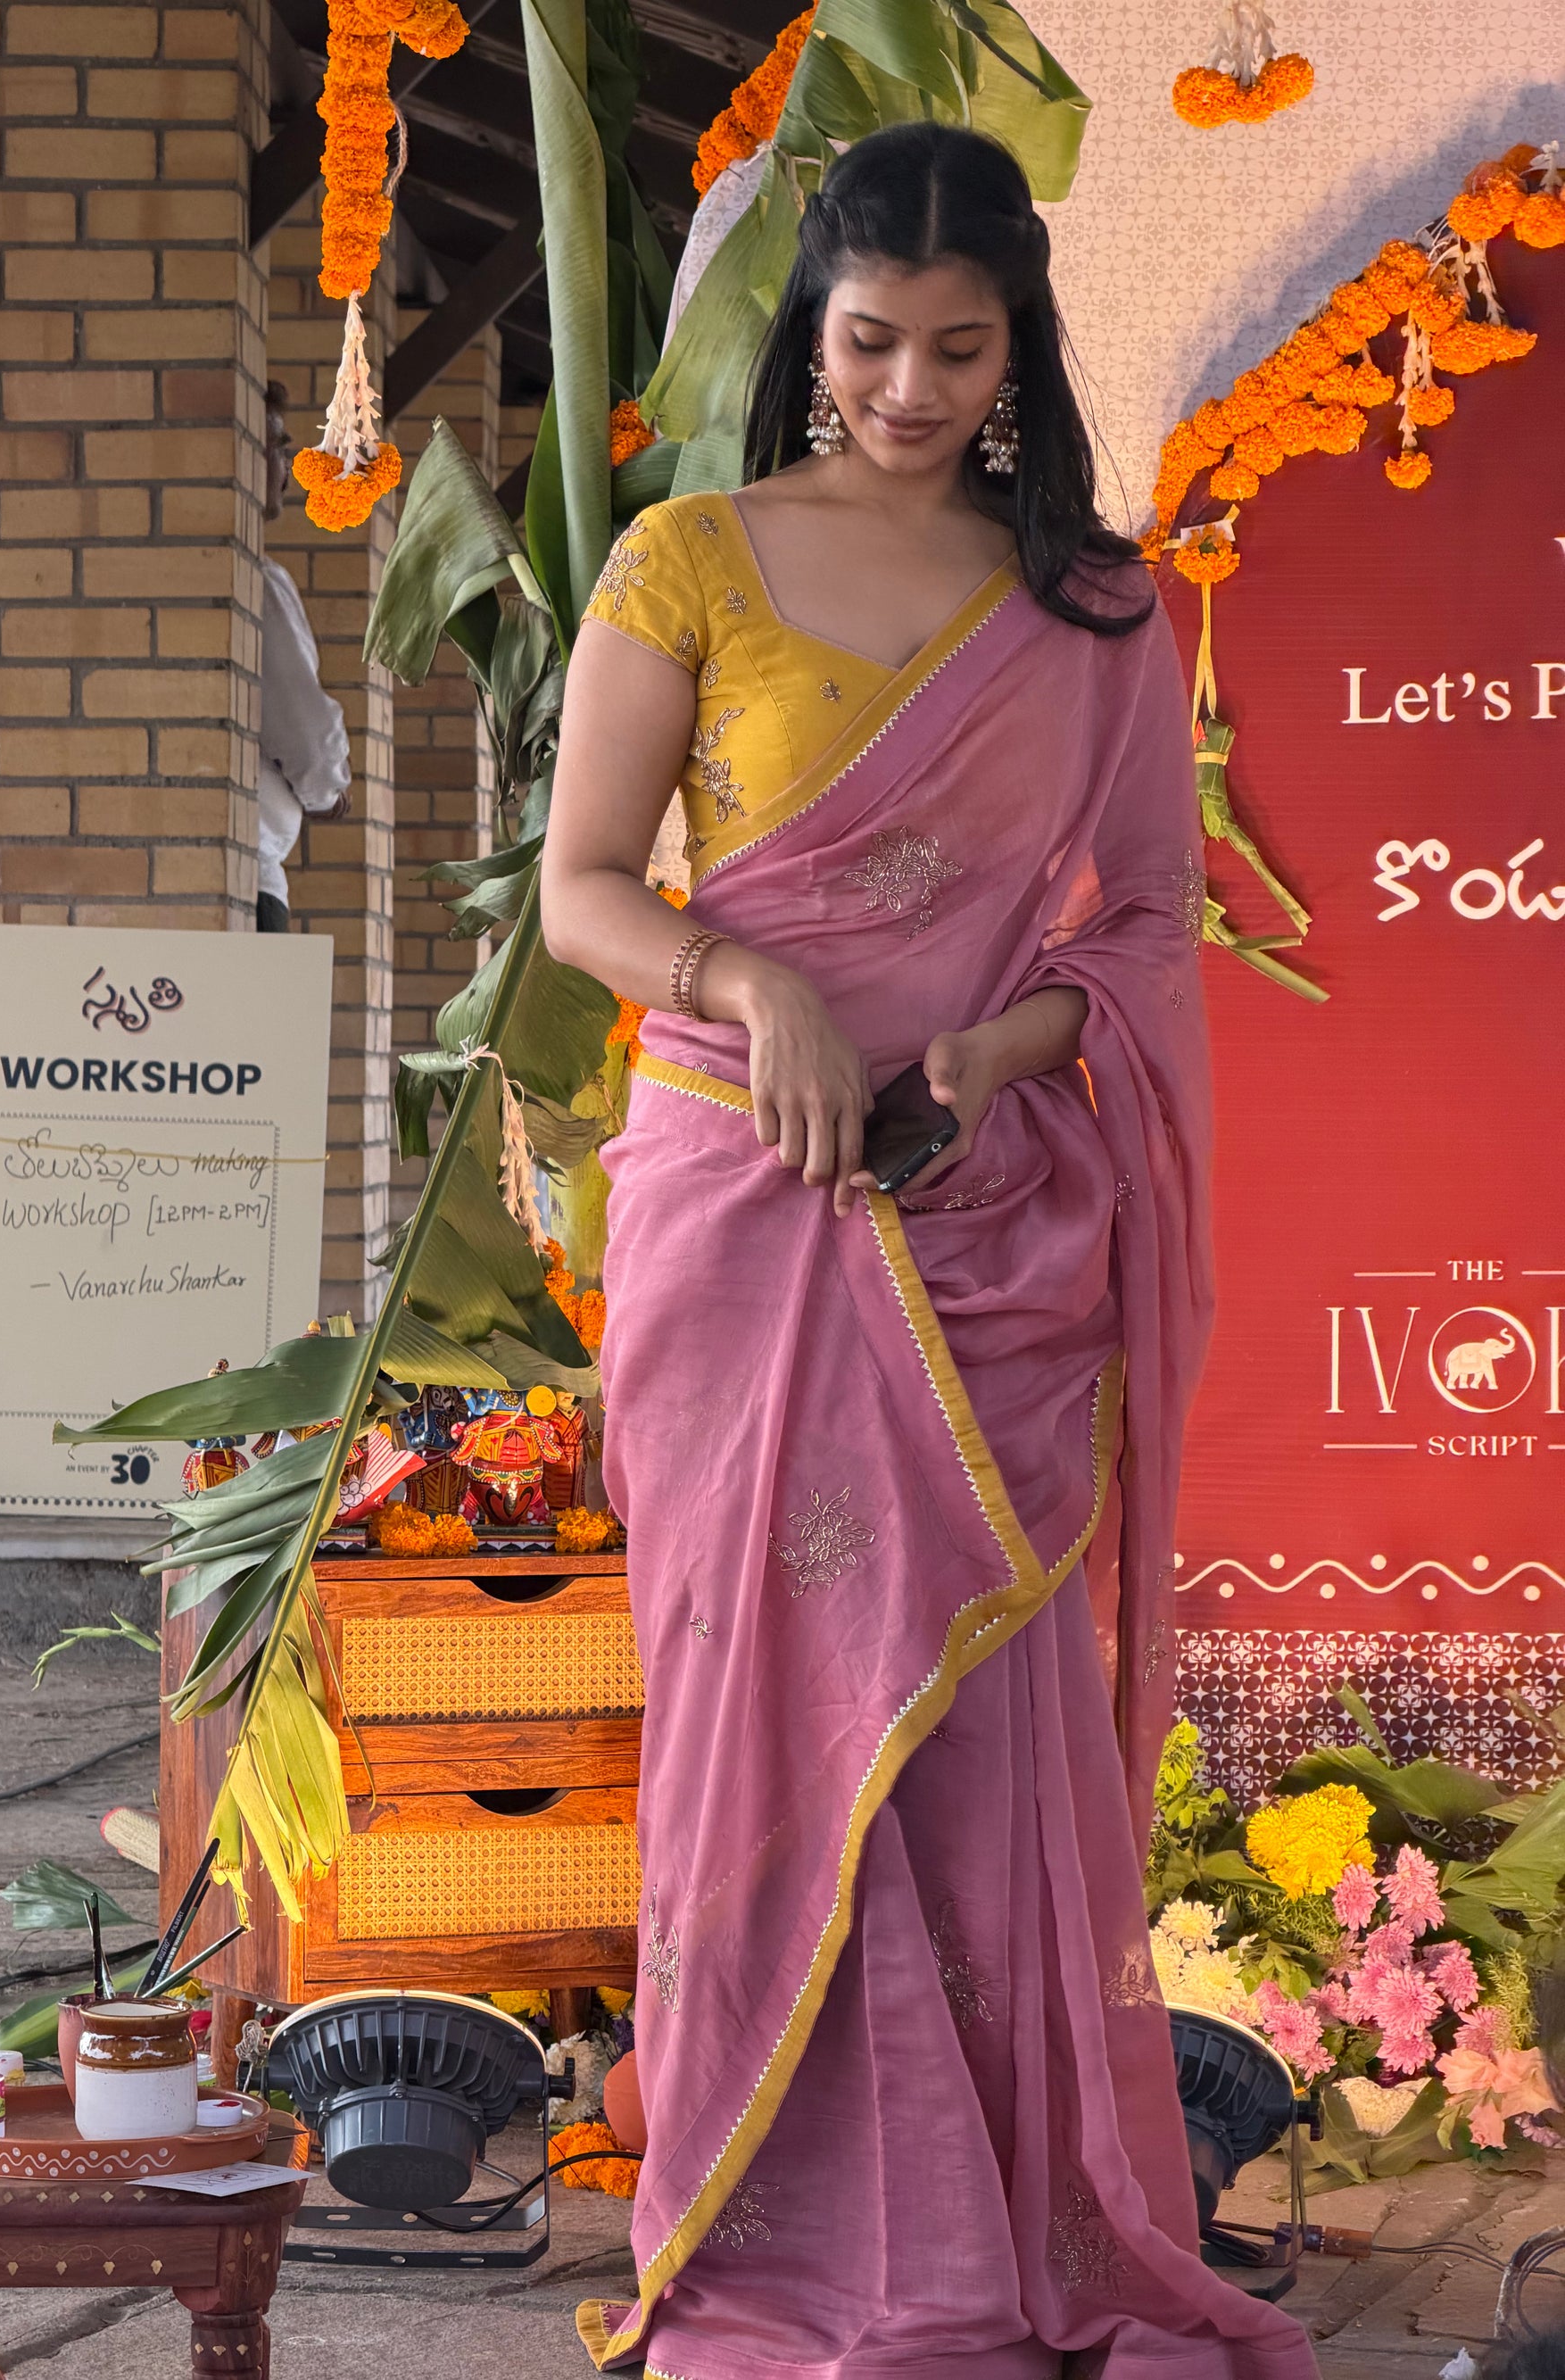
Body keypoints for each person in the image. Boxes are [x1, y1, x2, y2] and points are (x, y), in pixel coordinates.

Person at [541, 123, 1319, 2379]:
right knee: (749, 1724)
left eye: (951, 348)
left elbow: (1156, 934)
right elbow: (587, 879)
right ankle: (763, 2231)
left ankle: (990, 2238)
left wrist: (994, 1051)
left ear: (1015, 352)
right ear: (813, 328)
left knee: (973, 1739)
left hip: (974, 1224)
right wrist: (743, 984)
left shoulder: (1086, 607)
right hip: (734, 1214)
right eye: (866, 338)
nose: (902, 384)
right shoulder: (687, 556)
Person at [256, 383, 351, 931]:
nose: (286, 469)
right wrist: (328, 792)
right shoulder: (255, 583)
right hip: (247, 879)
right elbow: (306, 734)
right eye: (277, 447)